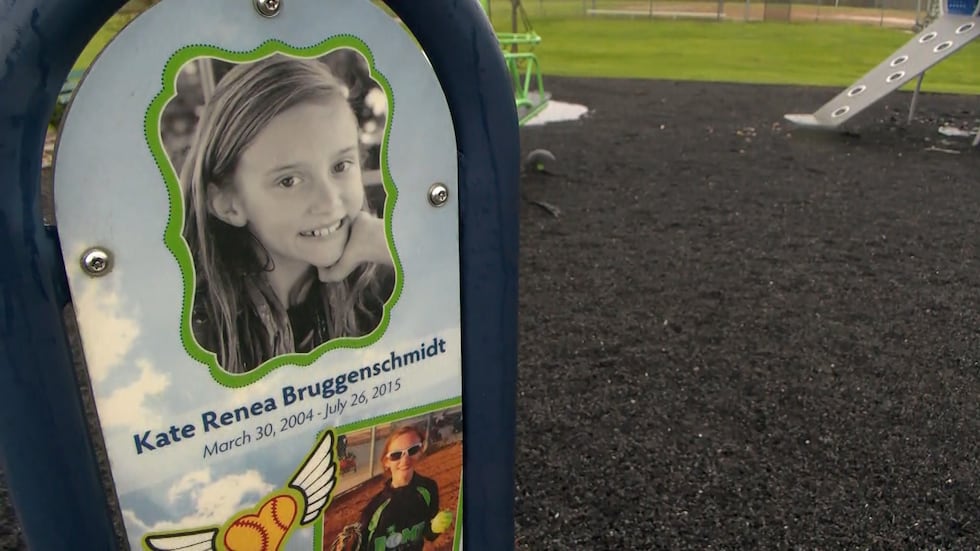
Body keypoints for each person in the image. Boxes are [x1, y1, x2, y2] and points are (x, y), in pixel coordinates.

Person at [179, 53, 395, 374]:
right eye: (289, 180)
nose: (329, 201)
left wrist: (392, 243)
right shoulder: (195, 329)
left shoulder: (377, 280)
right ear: (229, 203)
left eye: (340, 166)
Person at [358, 426, 453, 550]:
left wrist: (435, 528)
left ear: (420, 452)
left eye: (412, 450)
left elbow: (428, 534)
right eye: (396, 455)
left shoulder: (428, 489)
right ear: (386, 462)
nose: (405, 459)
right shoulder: (375, 509)